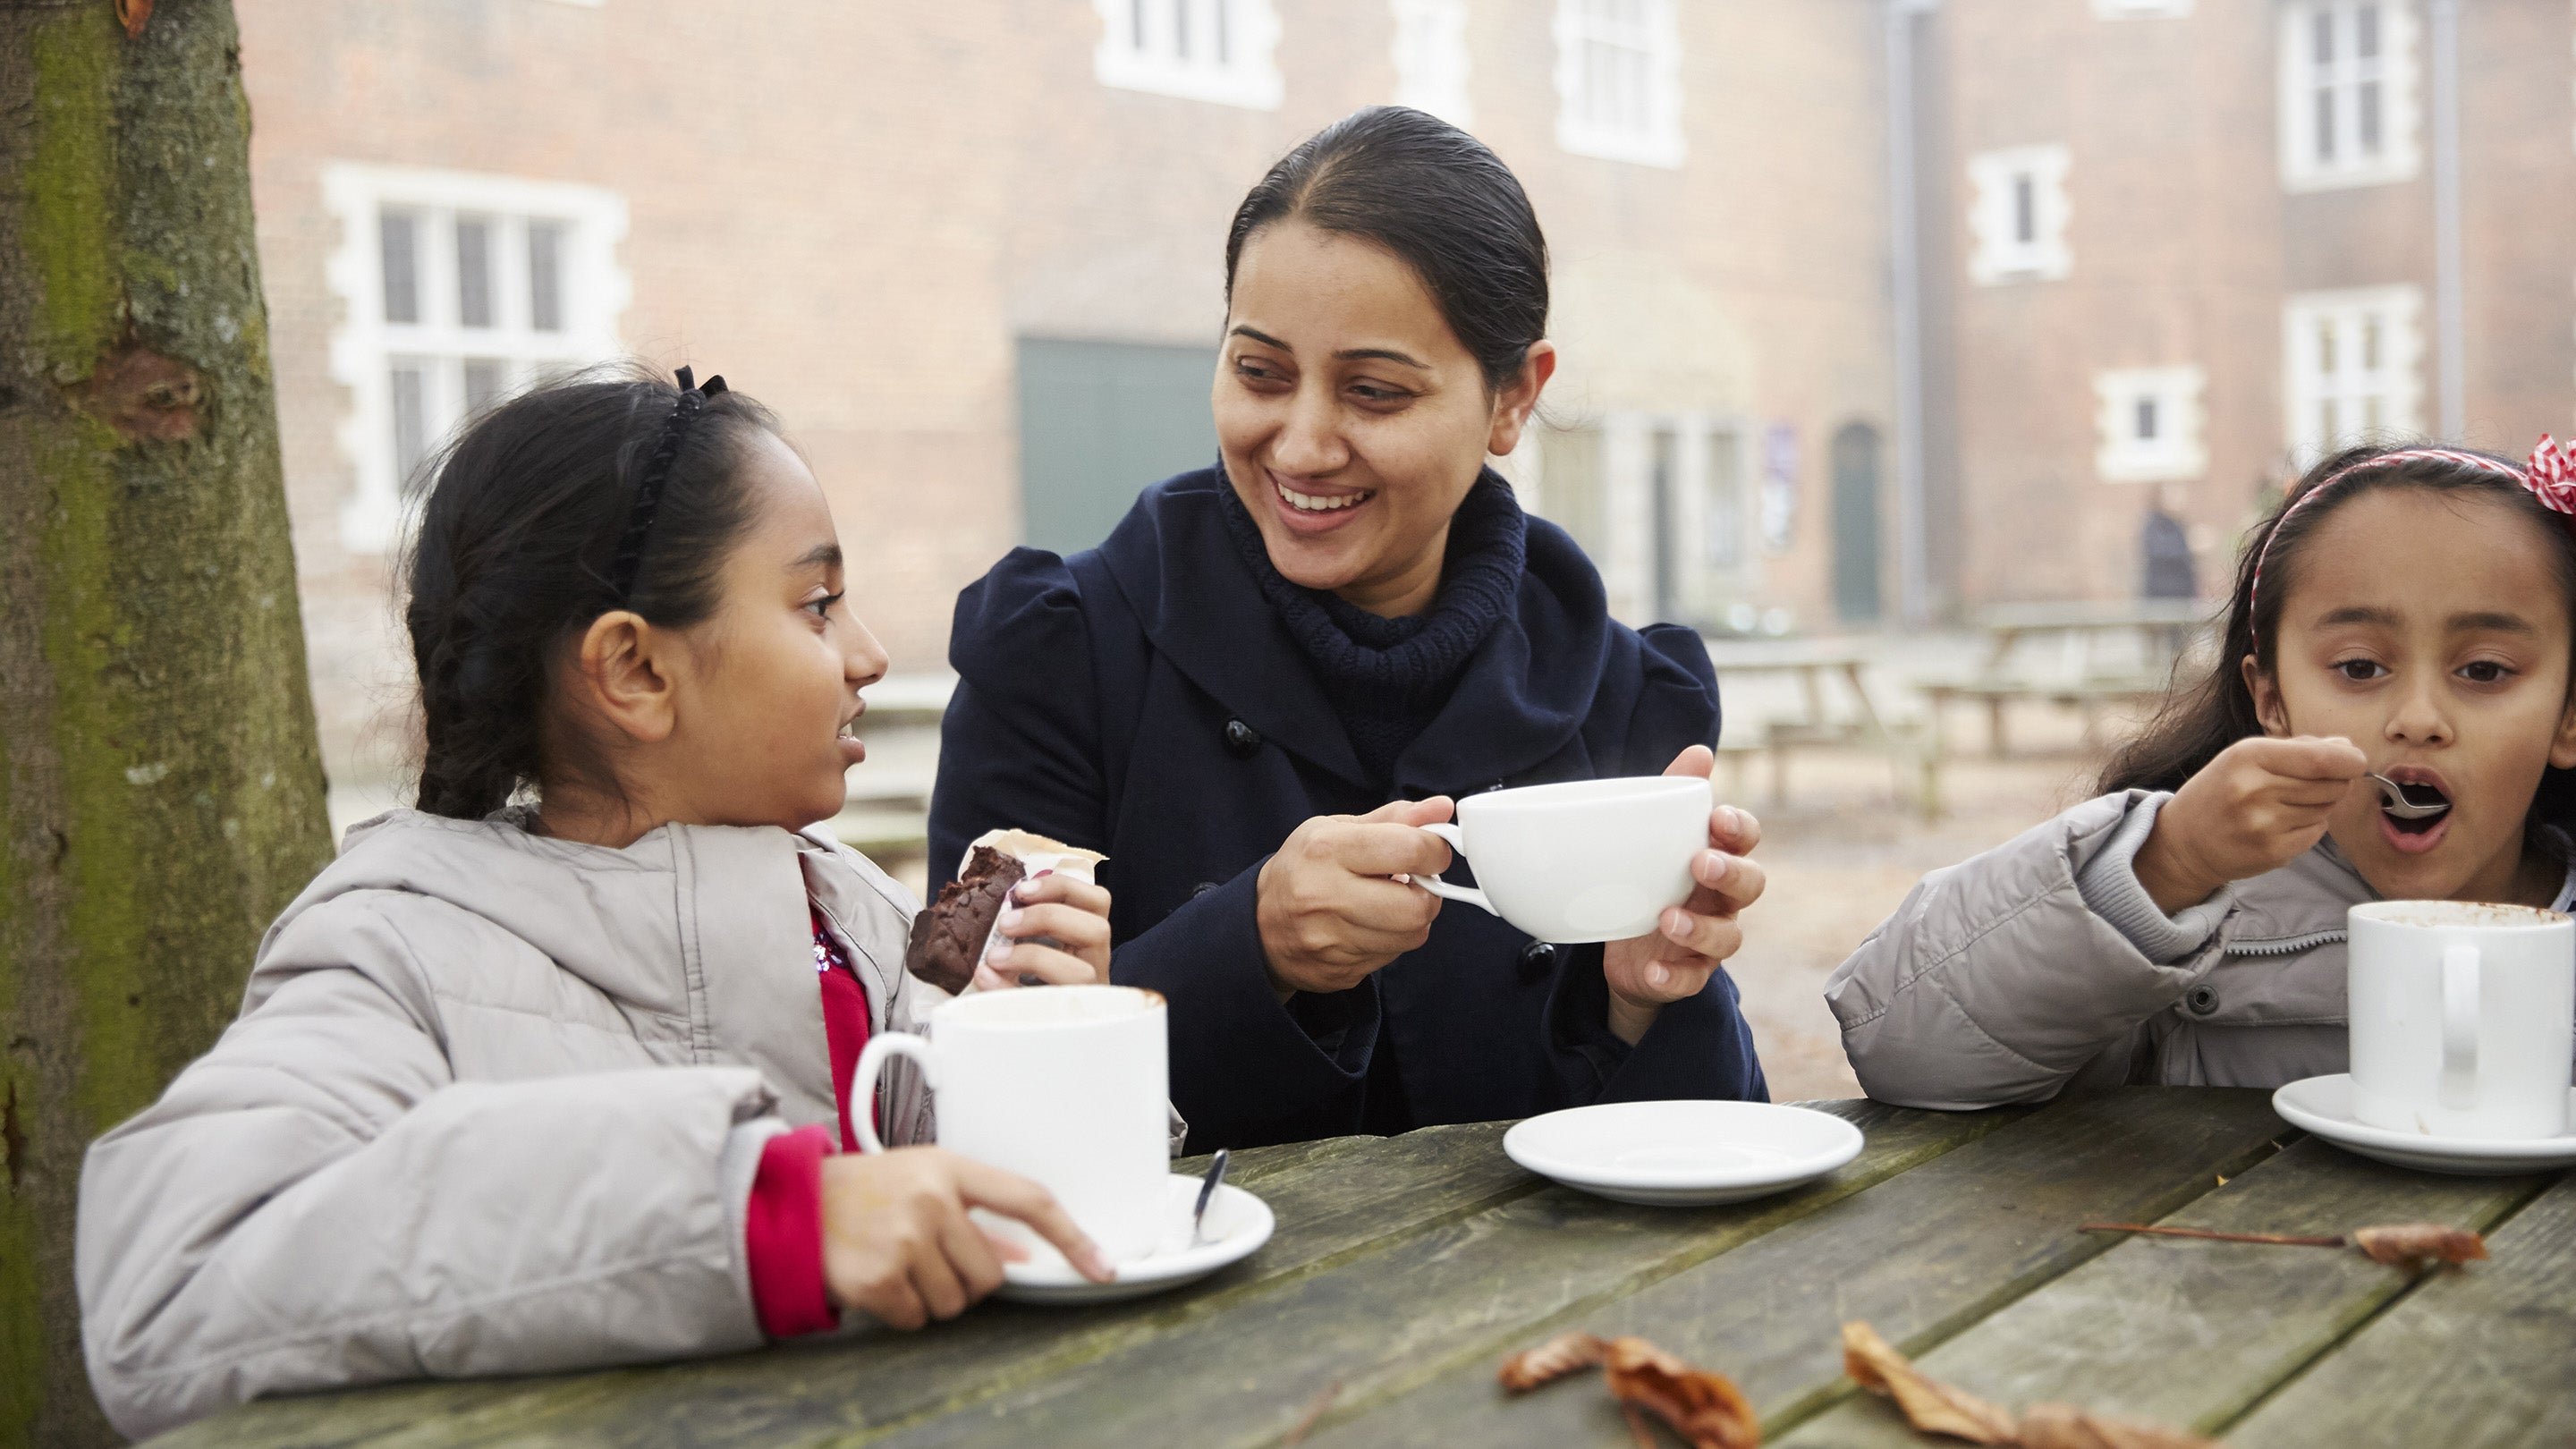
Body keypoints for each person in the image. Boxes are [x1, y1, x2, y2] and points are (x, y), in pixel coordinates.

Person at [76, 367, 1124, 1439]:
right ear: (632, 669)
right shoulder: (394, 946)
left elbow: (1015, 1239)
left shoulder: (859, 916)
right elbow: (172, 1281)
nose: (868, 653)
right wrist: (765, 1219)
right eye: (816, 604)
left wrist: (1037, 1045)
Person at [931, 106, 1768, 1152]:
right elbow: (967, 1088)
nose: (1303, 443)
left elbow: (1716, 1148)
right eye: (1259, 373)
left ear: (1513, 397)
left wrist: (1652, 1000)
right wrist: (1253, 949)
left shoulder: (1622, 693)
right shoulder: (1059, 656)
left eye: (1373, 391)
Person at [1827, 438, 2576, 1109]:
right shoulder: (2198, 910)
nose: (2418, 717)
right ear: (2273, 704)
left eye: (2484, 670)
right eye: (2359, 666)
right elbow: (1899, 1050)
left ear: (2569, 716)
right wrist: (2165, 864)